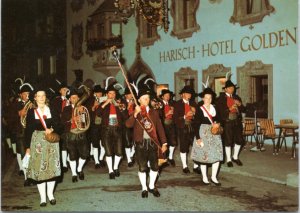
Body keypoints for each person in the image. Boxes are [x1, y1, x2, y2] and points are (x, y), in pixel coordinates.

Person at [126, 88, 168, 198]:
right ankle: (144, 188)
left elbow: (160, 128)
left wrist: (164, 143)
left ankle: (152, 186)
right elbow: (128, 125)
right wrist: (135, 114)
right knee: (142, 167)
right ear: (139, 100)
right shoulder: (136, 112)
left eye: (148, 98)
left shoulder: (154, 112)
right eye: (144, 98)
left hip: (153, 143)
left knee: (155, 167)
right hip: (140, 144)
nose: (147, 100)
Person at [24, 87, 61, 207]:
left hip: (51, 142)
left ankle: (51, 195)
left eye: (43, 95)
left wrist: (52, 129)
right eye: (38, 96)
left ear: (46, 97)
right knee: (40, 170)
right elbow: (28, 130)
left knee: (51, 169)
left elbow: (59, 125)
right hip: (37, 143)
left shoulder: (52, 109)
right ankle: (43, 198)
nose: (41, 98)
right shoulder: (31, 112)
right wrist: (27, 147)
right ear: (35, 98)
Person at [193, 87, 223, 186]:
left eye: (210, 98)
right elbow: (196, 124)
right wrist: (198, 138)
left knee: (216, 155)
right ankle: (205, 177)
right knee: (204, 156)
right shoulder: (200, 109)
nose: (208, 100)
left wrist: (217, 124)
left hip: (214, 134)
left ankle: (214, 177)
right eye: (206, 98)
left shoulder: (215, 108)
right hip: (203, 134)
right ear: (203, 98)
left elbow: (219, 119)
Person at [96, 84, 127, 179]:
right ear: (107, 94)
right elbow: (97, 113)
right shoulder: (103, 104)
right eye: (110, 93)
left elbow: (125, 117)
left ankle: (115, 167)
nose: (112, 95)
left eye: (113, 93)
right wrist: (106, 103)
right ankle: (111, 171)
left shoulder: (119, 104)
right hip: (106, 130)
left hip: (117, 129)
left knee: (119, 152)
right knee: (108, 152)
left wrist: (120, 108)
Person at [61, 88, 90, 182]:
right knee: (72, 155)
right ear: (70, 99)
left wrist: (82, 114)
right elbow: (63, 122)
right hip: (71, 133)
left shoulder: (83, 108)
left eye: (76, 97)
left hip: (81, 133)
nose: (74, 99)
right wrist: (72, 119)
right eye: (72, 98)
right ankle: (74, 174)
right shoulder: (66, 109)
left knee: (84, 154)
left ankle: (79, 169)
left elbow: (86, 122)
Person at [216, 78, 245, 167]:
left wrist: (240, 105)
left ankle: (235, 157)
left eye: (233, 88)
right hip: (227, 121)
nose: (232, 89)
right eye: (229, 88)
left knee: (239, 140)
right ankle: (228, 159)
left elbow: (243, 109)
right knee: (228, 141)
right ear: (225, 89)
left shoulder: (237, 97)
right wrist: (229, 109)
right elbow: (219, 111)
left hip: (236, 121)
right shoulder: (220, 98)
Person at [173, 86, 200, 174]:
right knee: (184, 147)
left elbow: (198, 117)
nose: (189, 95)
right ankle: (185, 166)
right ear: (182, 95)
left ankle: (196, 166)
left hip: (192, 127)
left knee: (195, 146)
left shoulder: (193, 103)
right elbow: (175, 118)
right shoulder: (177, 104)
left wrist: (195, 112)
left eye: (190, 94)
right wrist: (185, 116)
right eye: (187, 93)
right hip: (183, 127)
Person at [13, 82, 34, 186]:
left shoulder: (31, 103)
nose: (27, 96)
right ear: (20, 94)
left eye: (28, 94)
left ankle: (31, 175)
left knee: (30, 154)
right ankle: (26, 177)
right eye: (25, 94)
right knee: (23, 154)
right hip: (20, 133)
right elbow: (8, 116)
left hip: (30, 132)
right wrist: (18, 113)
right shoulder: (15, 104)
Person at [50, 80, 69, 173]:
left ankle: (66, 163)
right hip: (59, 125)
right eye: (64, 89)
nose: (66, 91)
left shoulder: (70, 100)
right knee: (61, 145)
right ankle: (62, 164)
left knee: (66, 145)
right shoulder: (56, 100)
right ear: (60, 91)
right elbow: (53, 113)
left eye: (67, 89)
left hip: (68, 125)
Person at [86, 84, 106, 169]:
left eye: (101, 92)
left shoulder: (104, 100)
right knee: (95, 144)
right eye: (98, 92)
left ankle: (101, 158)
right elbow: (88, 112)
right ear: (94, 93)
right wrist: (94, 106)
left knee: (104, 143)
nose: (100, 94)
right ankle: (97, 161)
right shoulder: (90, 100)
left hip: (103, 125)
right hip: (94, 125)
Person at [159, 89, 177, 166]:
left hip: (171, 125)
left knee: (173, 142)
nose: (168, 97)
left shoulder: (171, 103)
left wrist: (173, 112)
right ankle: (164, 159)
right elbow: (158, 116)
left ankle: (170, 157)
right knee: (164, 142)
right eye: (166, 95)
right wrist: (167, 114)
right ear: (162, 97)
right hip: (163, 125)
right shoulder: (159, 104)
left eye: (168, 96)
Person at [122, 87, 136, 167]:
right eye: (129, 94)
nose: (131, 96)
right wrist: (128, 107)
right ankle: (129, 160)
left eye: (132, 94)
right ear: (126, 96)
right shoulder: (122, 102)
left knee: (135, 141)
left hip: (134, 124)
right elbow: (123, 115)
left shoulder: (135, 102)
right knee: (127, 143)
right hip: (126, 125)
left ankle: (131, 154)